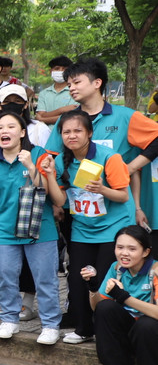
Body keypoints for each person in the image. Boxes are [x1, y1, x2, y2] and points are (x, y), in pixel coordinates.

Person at [0, 111, 62, 344]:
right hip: (5, 228)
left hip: (39, 228)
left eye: (10, 127)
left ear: (23, 132)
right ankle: (9, 319)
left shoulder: (38, 154)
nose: (4, 131)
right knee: (6, 276)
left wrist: (30, 165)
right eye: (0, 128)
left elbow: (45, 189)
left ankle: (50, 325)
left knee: (45, 279)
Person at [44, 109, 135, 344]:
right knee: (77, 279)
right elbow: (61, 201)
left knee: (103, 279)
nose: (71, 136)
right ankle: (84, 329)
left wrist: (101, 189)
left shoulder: (109, 157)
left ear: (90, 133)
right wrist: (50, 176)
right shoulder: (61, 161)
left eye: (77, 131)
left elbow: (123, 196)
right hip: (83, 229)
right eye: (66, 132)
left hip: (114, 228)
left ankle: (109, 331)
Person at [43, 57, 158, 233]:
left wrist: (130, 167)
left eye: (76, 82)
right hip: (77, 212)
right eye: (69, 84)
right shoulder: (65, 121)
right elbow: (52, 158)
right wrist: (55, 203)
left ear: (97, 83)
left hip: (117, 211)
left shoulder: (125, 117)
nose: (71, 88)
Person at [83, 225, 158, 365]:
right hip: (129, 329)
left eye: (132, 249)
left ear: (146, 252)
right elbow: (97, 307)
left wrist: (123, 297)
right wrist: (93, 288)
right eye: (120, 247)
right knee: (105, 308)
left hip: (151, 330)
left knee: (146, 324)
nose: (124, 253)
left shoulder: (156, 270)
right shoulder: (116, 268)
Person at [34, 56, 77, 126]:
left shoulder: (74, 91)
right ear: (51, 71)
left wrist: (43, 119)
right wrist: (62, 110)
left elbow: (71, 117)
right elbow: (41, 114)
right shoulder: (44, 93)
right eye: (57, 69)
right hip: (46, 132)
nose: (61, 71)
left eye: (65, 69)